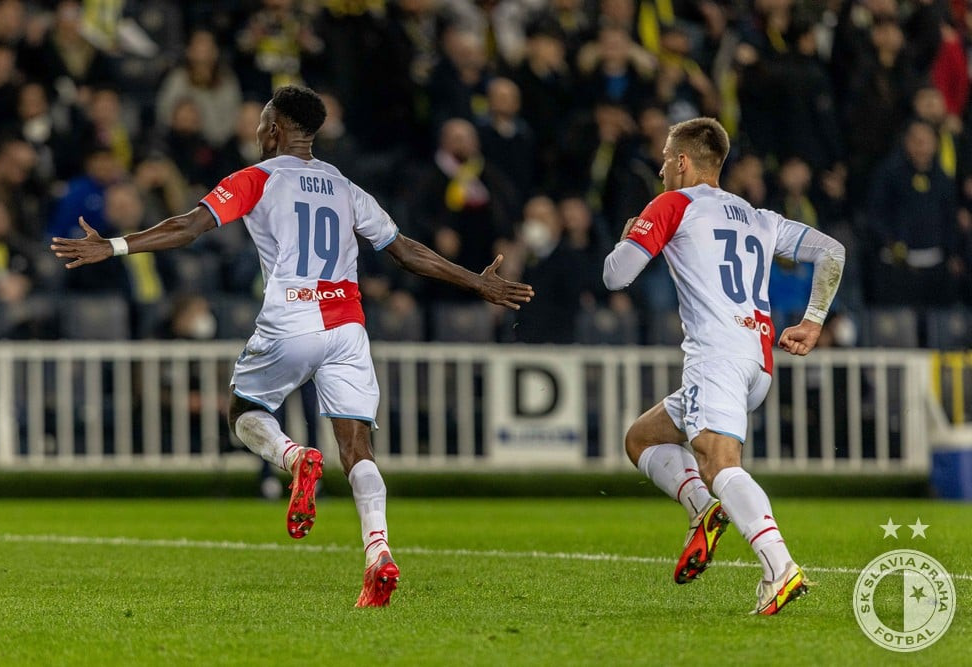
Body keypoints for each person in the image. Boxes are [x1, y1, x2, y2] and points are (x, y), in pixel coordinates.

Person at [51, 84, 534, 607]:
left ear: (275, 128)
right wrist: (478, 283)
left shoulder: (255, 178)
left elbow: (188, 227)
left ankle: (293, 455)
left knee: (241, 411)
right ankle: (378, 552)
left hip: (292, 317)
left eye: (262, 122)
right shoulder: (346, 186)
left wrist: (115, 244)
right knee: (356, 450)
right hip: (348, 325)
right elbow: (407, 252)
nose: (258, 131)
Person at [602, 117, 845, 615]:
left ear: (683, 162)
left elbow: (615, 277)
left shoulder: (673, 204)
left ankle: (779, 567)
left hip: (715, 357)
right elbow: (832, 252)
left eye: (667, 158)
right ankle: (702, 510)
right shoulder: (759, 216)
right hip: (757, 361)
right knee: (642, 439)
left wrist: (631, 236)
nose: (663, 167)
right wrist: (814, 321)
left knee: (718, 463)